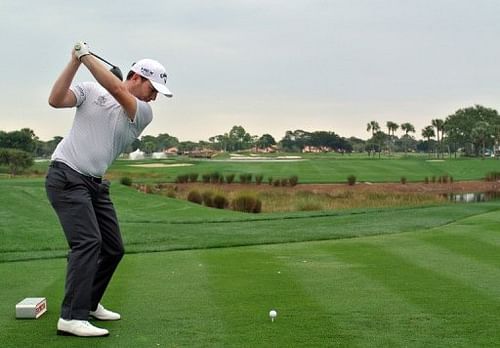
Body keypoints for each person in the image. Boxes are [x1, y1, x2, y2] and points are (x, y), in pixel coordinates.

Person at [45, 41, 172, 337]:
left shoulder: (142, 112)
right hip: (66, 175)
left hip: (94, 184)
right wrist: (75, 62)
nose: (154, 97)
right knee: (88, 242)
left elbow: (117, 90)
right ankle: (71, 317)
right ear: (136, 77)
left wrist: (86, 56)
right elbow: (55, 100)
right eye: (152, 88)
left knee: (113, 248)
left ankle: (88, 303)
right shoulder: (90, 90)